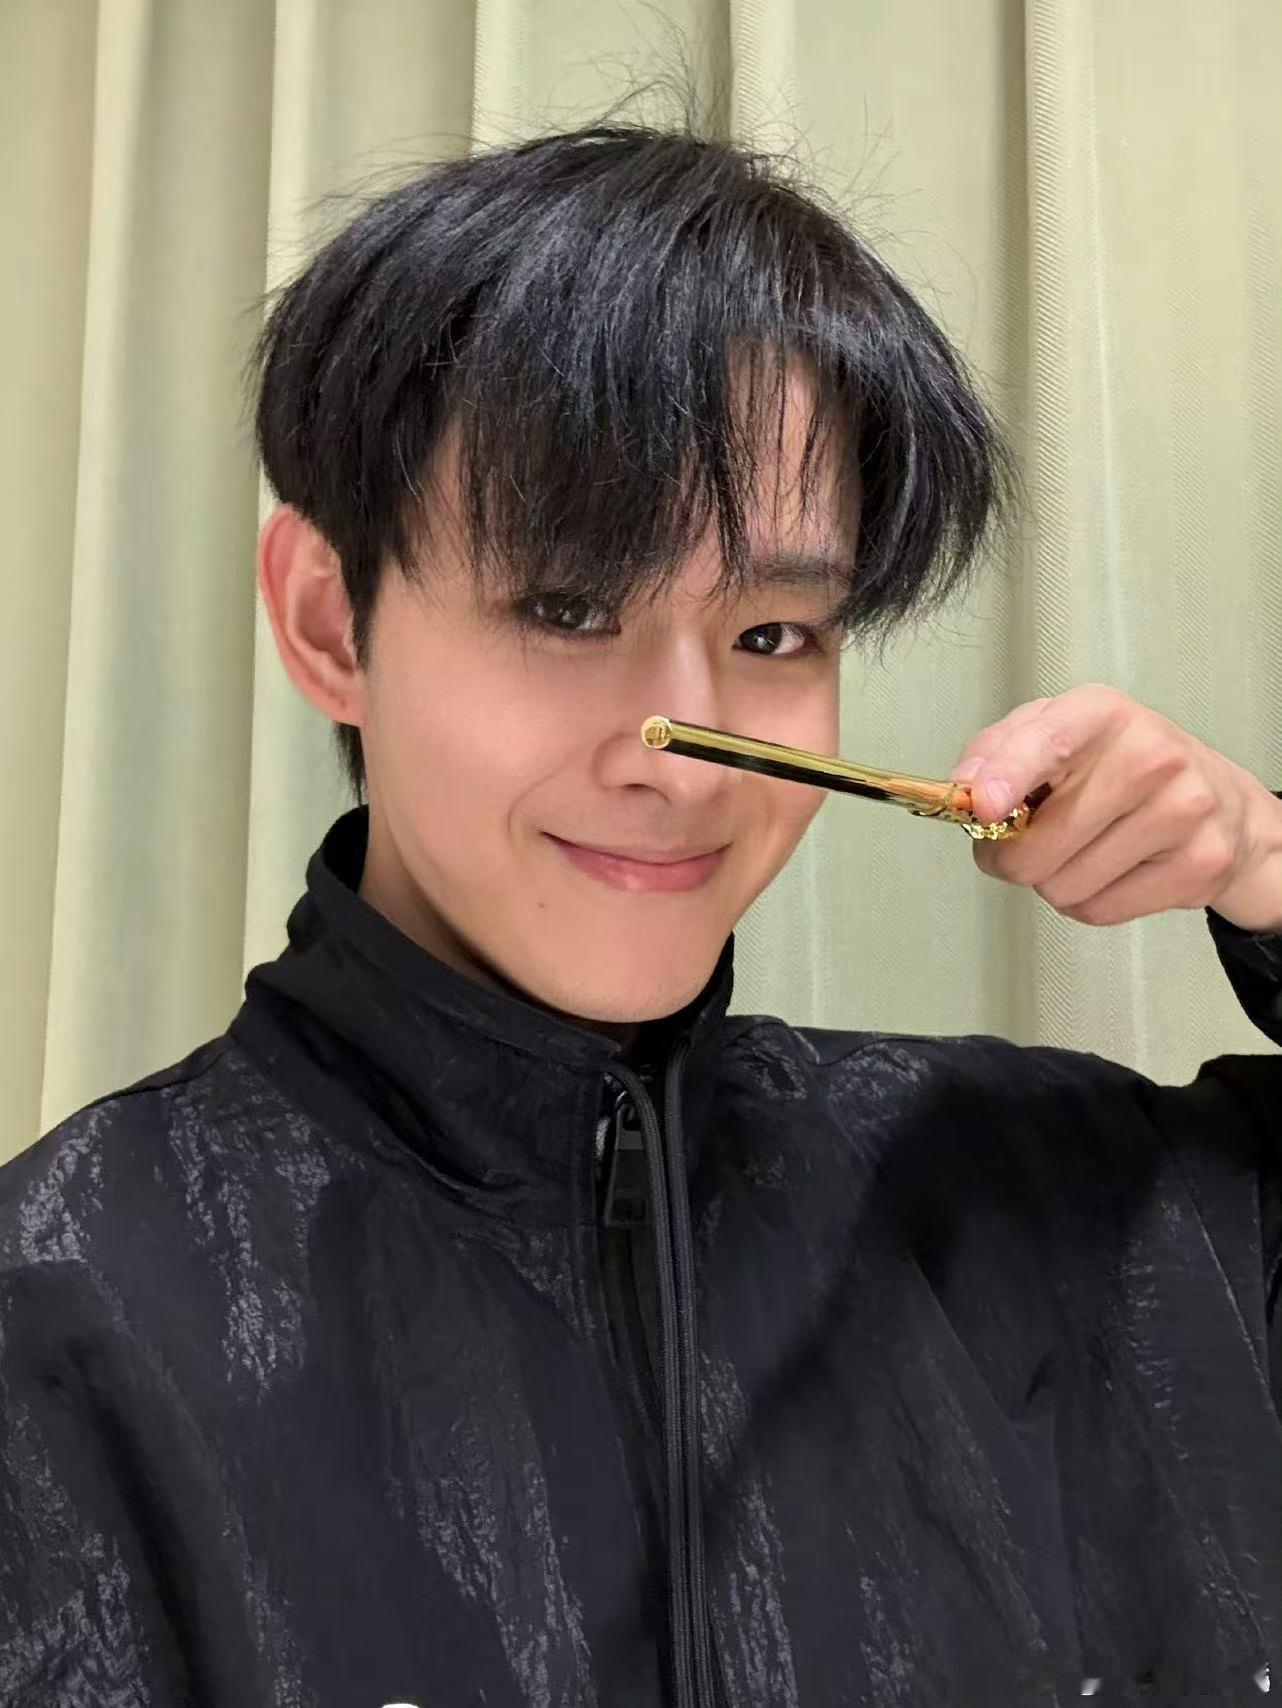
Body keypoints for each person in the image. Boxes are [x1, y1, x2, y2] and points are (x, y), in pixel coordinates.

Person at [1, 121, 1278, 1708]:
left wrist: (1263, 863)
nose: (678, 760)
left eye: (772, 633)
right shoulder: (63, 1320)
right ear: (332, 623)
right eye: (565, 606)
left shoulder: (1057, 1200)